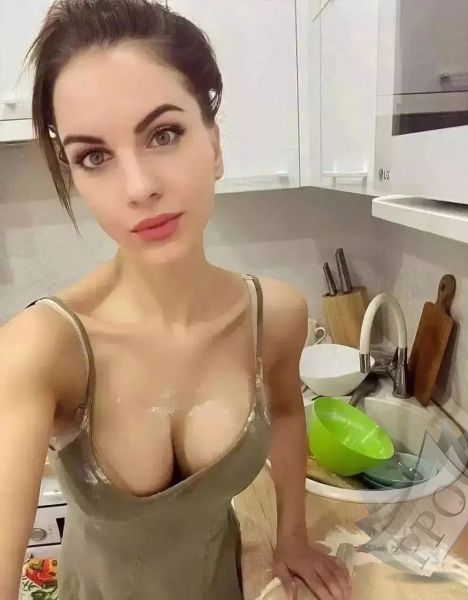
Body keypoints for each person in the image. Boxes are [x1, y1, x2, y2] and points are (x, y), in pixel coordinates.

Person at [0, 1, 351, 598]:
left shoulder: (274, 317)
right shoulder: (44, 349)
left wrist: (292, 536)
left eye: (164, 134)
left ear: (214, 144)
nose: (139, 188)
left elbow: (289, 414)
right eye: (94, 157)